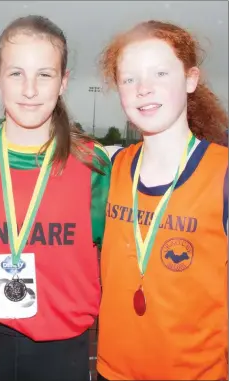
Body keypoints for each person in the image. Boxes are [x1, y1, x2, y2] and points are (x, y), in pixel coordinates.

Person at [0, 15, 111, 381]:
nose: (30, 89)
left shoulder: (92, 163)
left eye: (45, 74)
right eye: (16, 74)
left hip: (62, 347)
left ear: (64, 82)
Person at [95, 20, 228, 381]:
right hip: (112, 371)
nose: (144, 89)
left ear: (190, 79)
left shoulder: (222, 173)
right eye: (129, 79)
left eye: (160, 73)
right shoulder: (116, 166)